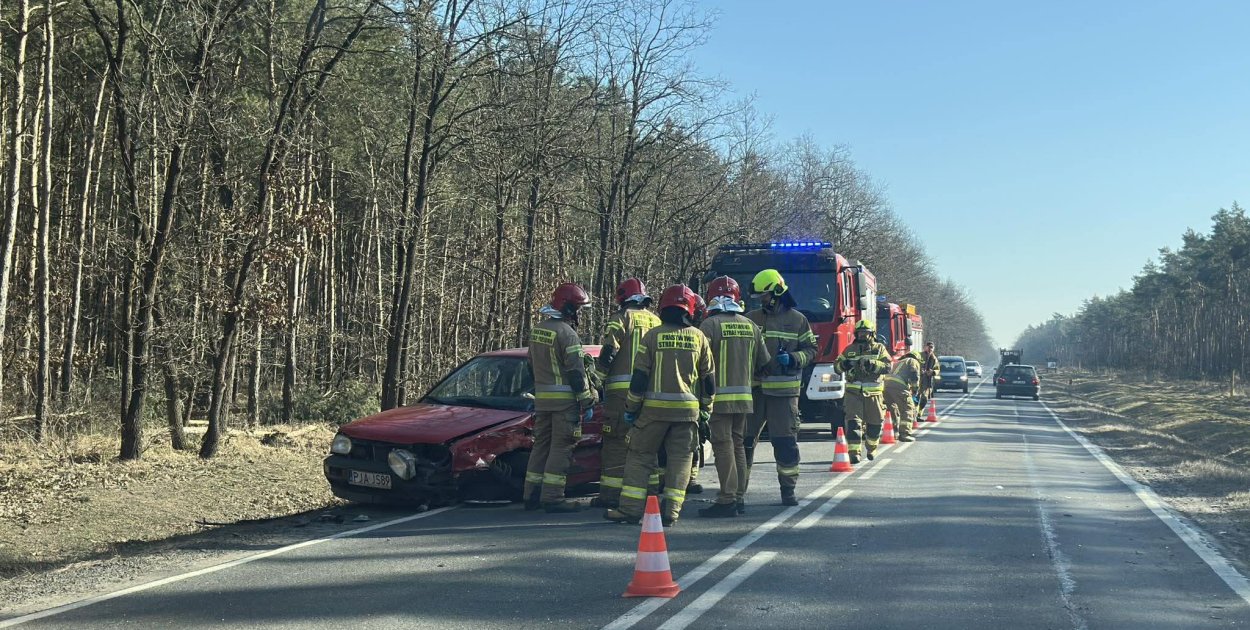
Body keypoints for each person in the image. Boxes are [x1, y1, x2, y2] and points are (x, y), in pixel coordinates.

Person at [605, 285, 714, 527]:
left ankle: (630, 509)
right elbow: (708, 380)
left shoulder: (652, 336)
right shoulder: (699, 337)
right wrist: (706, 410)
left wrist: (631, 409)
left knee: (639, 456)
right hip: (687, 413)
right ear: (690, 309)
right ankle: (672, 511)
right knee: (681, 460)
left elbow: (640, 378)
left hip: (653, 412)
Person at [697, 277, 770, 517]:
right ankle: (738, 496)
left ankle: (727, 498)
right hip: (744, 398)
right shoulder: (751, 326)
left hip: (718, 398)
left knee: (723, 446)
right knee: (738, 444)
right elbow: (764, 363)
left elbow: (698, 364)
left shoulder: (709, 326)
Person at [744, 270, 817, 507]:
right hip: (754, 391)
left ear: (776, 292)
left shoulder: (798, 320)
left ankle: (788, 491)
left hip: (784, 396)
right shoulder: (751, 318)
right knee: (743, 443)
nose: (760, 300)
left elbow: (811, 350)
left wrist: (794, 358)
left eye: (763, 295)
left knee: (785, 444)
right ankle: (736, 493)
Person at [525, 283, 596, 513]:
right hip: (564, 404)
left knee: (541, 447)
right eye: (578, 308)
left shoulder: (538, 329)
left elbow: (530, 366)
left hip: (542, 402)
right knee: (561, 447)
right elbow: (576, 372)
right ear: (568, 308)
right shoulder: (567, 334)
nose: (579, 314)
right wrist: (587, 399)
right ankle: (553, 497)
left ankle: (531, 494)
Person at [591, 279, 660, 509]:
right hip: (650, 394)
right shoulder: (656, 321)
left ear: (622, 297)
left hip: (621, 395)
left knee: (616, 443)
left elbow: (610, 349)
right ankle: (650, 492)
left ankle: (611, 495)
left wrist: (597, 380)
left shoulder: (621, 318)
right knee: (645, 443)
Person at [834, 320, 892, 462]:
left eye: (865, 332)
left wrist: (872, 364)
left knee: (875, 423)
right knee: (853, 422)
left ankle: (871, 448)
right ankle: (854, 453)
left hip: (874, 394)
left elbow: (888, 366)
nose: (862, 335)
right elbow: (836, 366)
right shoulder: (849, 349)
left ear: (871, 334)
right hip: (853, 393)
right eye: (860, 332)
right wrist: (845, 364)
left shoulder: (879, 349)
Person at [884, 342, 922, 442]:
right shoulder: (913, 361)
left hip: (885, 385)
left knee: (892, 408)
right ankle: (905, 434)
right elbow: (914, 375)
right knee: (908, 408)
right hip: (898, 385)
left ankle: (893, 431)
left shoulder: (899, 362)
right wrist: (915, 390)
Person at [918, 341, 938, 421]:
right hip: (918, 380)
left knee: (924, 399)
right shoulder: (920, 356)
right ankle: (915, 416)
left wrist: (932, 372)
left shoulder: (934, 359)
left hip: (927, 382)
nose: (930, 349)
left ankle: (918, 414)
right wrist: (919, 370)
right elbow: (914, 365)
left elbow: (937, 369)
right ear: (925, 347)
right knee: (916, 398)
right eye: (929, 346)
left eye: (932, 347)